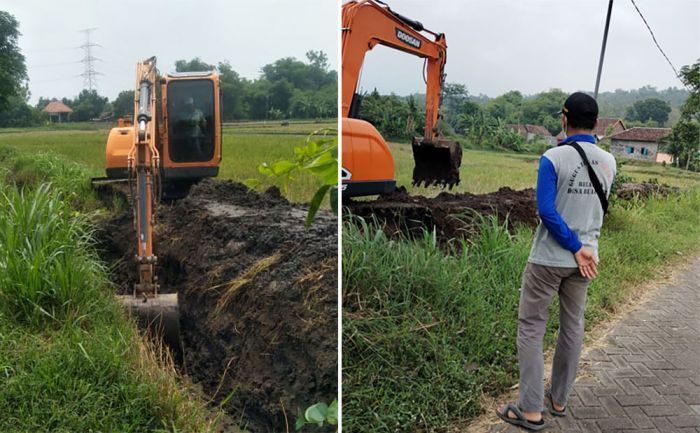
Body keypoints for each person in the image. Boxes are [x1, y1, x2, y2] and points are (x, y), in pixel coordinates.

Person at [496, 92, 617, 431]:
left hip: (550, 258)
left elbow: (546, 210)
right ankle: (560, 400)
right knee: (573, 326)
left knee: (532, 327)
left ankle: (531, 410)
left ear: (564, 119)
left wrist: (573, 245)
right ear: (596, 123)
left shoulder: (553, 157)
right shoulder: (610, 162)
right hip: (586, 262)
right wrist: (581, 248)